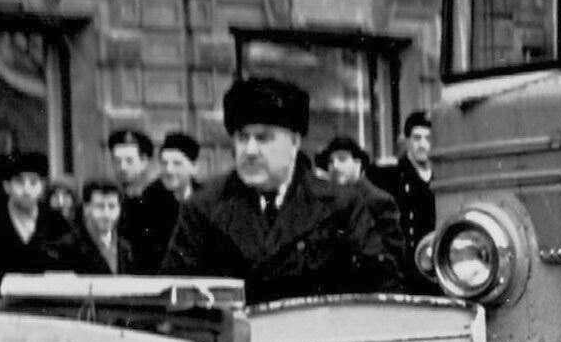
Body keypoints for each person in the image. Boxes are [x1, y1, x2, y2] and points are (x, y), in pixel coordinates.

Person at [161, 78, 401, 305]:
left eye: (264, 138)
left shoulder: (340, 205)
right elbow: (174, 293)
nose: (251, 150)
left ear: (294, 142)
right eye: (243, 138)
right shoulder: (203, 208)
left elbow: (380, 289)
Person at [370, 110, 440, 295]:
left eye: (428, 138)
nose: (423, 144)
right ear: (407, 140)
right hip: (405, 272)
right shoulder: (391, 176)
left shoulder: (441, 177)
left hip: (435, 269)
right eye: (417, 138)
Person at [316, 135, 405, 278]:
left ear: (358, 164)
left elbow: (393, 254)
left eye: (342, 159)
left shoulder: (378, 200)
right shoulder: (326, 202)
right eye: (331, 162)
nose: (335, 166)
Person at [132, 131, 202, 271]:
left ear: (194, 167)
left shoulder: (207, 200)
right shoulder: (148, 201)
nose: (169, 170)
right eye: (164, 163)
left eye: (177, 163)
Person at [0, 151, 69, 278]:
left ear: (42, 186)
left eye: (33, 183)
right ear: (7, 186)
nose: (27, 190)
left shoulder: (56, 221)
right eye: (20, 182)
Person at [63, 179, 137, 275]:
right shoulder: (66, 248)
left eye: (112, 206)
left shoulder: (125, 248)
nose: (106, 214)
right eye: (100, 206)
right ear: (86, 209)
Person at [108, 128, 155, 264]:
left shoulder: (159, 202)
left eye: (129, 161)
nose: (122, 167)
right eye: (117, 161)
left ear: (144, 162)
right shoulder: (111, 202)